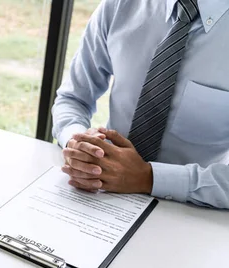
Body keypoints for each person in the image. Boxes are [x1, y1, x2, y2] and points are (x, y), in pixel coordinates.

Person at [52, 0, 229, 208]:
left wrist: (148, 178)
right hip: (99, 192)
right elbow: (73, 97)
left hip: (191, 210)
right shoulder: (120, 5)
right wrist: (78, 143)